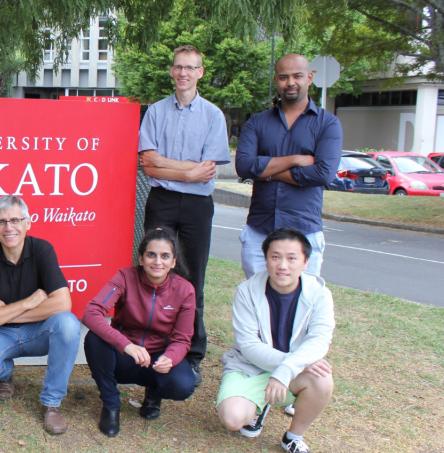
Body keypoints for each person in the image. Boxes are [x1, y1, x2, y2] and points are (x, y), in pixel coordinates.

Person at [138, 44, 230, 386]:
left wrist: (175, 169)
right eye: (178, 67)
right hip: (160, 200)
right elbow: (148, 163)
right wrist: (188, 171)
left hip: (196, 206)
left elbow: (206, 172)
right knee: (155, 272)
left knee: (193, 279)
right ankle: (152, 346)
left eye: (190, 68)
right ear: (171, 70)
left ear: (200, 72)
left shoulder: (213, 116)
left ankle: (192, 355)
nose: (183, 73)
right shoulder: (155, 111)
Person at [0, 195, 81, 435]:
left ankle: (52, 404)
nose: (9, 228)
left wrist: (4, 313)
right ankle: (4, 374)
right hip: (0, 333)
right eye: (1, 222)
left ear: (28, 223)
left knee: (68, 324)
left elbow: (63, 304)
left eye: (15, 220)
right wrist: (27, 303)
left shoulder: (42, 250)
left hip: (38, 331)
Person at [216, 228, 335, 453]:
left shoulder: (319, 294)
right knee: (232, 418)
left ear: (305, 262)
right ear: (266, 259)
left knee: (322, 379)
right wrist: (290, 364)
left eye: (292, 258)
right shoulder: (246, 291)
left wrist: (286, 370)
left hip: (295, 370)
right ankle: (258, 406)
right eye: (276, 257)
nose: (282, 265)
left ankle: (293, 436)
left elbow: (320, 340)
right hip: (250, 367)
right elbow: (248, 345)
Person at [235, 53, 343, 279]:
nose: (290, 82)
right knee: (257, 298)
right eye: (284, 77)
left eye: (297, 76)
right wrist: (296, 159)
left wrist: (268, 172)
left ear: (309, 78)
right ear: (276, 80)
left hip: (305, 233)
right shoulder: (257, 122)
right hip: (259, 232)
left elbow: (323, 174)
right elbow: (244, 167)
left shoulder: (328, 124)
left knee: (303, 299)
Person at [82, 228, 197, 437]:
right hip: (125, 355)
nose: (158, 262)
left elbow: (182, 339)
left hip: (157, 359)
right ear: (141, 259)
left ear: (173, 262)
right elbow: (92, 312)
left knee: (182, 385)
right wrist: (126, 345)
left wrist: (170, 358)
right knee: (94, 339)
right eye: (151, 255)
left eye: (165, 256)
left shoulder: (185, 290)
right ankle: (111, 405)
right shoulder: (125, 277)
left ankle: (154, 395)